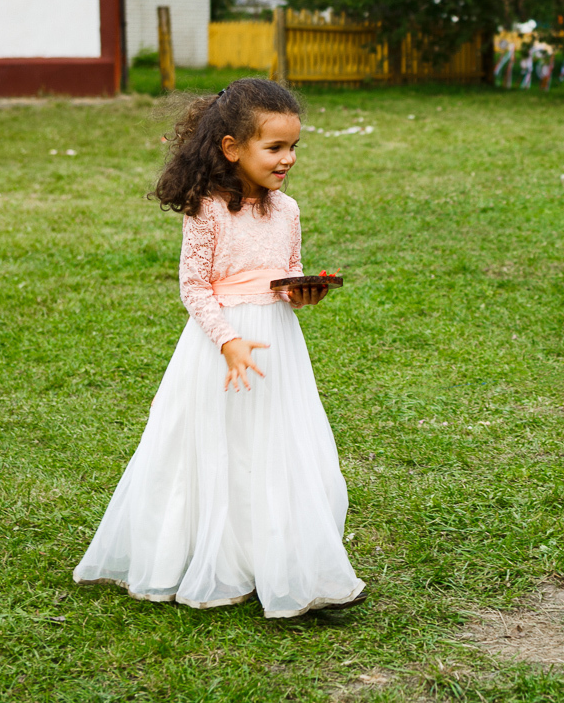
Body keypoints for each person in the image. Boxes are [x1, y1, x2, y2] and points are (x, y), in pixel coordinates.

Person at [73, 78, 366, 618]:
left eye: (294, 147)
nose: (288, 160)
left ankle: (278, 556)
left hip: (276, 344)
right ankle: (216, 559)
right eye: (274, 148)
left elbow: (284, 274)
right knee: (217, 447)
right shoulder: (206, 209)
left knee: (276, 445)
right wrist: (229, 341)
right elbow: (194, 287)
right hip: (221, 343)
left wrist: (302, 293)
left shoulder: (288, 210)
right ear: (232, 148)